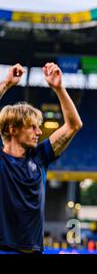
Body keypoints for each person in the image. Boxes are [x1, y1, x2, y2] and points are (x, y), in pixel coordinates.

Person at [0, 63, 83, 254]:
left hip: (35, 250)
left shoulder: (39, 156)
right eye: (32, 127)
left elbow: (74, 125)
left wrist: (59, 88)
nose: (39, 132)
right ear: (13, 130)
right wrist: (5, 83)